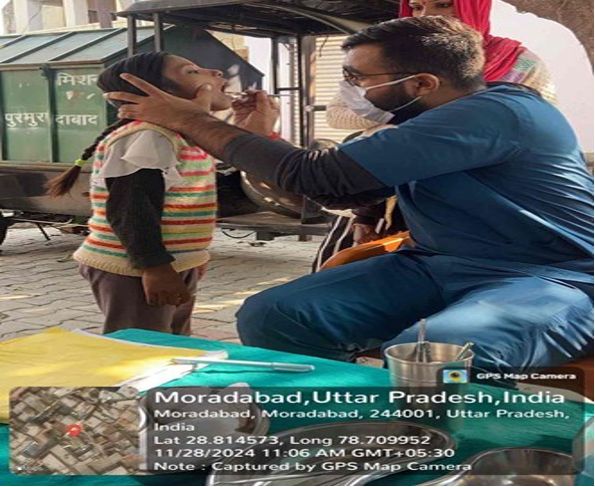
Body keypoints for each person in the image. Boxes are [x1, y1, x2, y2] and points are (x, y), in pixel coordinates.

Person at [105, 17, 594, 372]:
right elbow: (337, 192)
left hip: (549, 277)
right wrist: (264, 140)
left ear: (422, 83)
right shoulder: (420, 123)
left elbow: (320, 176)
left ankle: (439, 449)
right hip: (435, 265)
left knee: (436, 353)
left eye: (359, 78)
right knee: (275, 313)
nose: (349, 89)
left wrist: (190, 119)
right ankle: (335, 418)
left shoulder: (498, 113)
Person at [317, 0, 558, 271]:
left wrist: (414, 107)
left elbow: (535, 126)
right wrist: (403, 108)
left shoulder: (518, 62)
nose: (427, 15)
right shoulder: (386, 56)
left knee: (443, 279)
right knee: (338, 270)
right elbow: (336, 114)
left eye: (443, 4)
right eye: (416, 7)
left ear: (474, 7)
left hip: (468, 201)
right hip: (376, 193)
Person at [48, 52, 277, 335]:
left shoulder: (181, 136)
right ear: (160, 94)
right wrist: (155, 268)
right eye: (192, 71)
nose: (217, 72)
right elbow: (130, 207)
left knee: (174, 342)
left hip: (164, 263)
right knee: (141, 347)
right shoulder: (149, 135)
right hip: (134, 267)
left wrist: (190, 257)